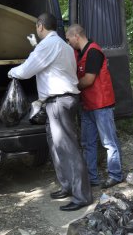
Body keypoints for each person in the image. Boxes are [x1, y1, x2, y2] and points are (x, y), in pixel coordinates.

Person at [8, 13, 93, 211]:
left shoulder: (48, 45)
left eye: (36, 28)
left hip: (59, 101)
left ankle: (82, 196)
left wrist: (11, 72)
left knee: (68, 148)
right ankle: (67, 186)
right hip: (59, 100)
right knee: (55, 146)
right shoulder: (62, 45)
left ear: (40, 26)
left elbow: (27, 70)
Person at [65, 24, 123, 189]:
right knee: (87, 142)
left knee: (108, 142)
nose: (68, 44)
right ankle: (91, 177)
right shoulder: (78, 53)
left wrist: (71, 86)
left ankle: (115, 175)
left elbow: (89, 79)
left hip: (101, 104)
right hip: (87, 104)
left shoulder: (94, 52)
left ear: (77, 36)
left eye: (69, 40)